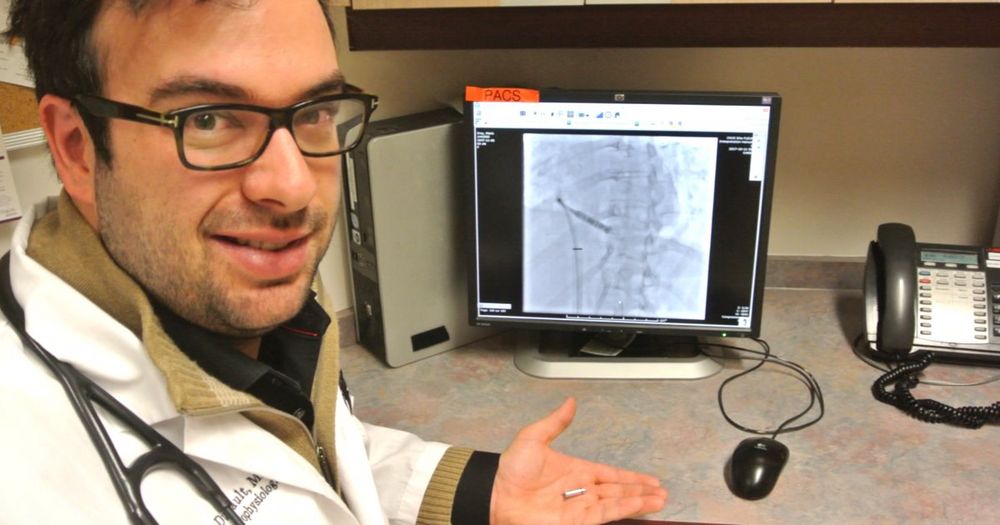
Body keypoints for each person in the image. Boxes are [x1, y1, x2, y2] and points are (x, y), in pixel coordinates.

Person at [0, 1, 668, 523]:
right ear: (76, 147)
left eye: (315, 110)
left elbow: (292, 461)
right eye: (208, 119)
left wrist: (471, 490)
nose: (292, 185)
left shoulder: (242, 310)